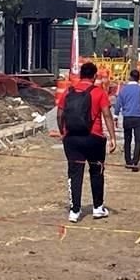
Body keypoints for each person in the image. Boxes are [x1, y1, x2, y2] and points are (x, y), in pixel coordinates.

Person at [56, 62, 117, 223]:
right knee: (97, 172)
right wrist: (112, 138)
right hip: (94, 138)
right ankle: (98, 208)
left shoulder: (69, 91)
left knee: (75, 173)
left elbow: (59, 114)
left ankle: (75, 210)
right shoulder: (99, 92)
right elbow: (107, 115)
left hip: (72, 138)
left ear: (81, 75)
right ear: (95, 76)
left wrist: (63, 133)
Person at [113, 69, 140, 171]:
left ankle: (128, 161)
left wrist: (116, 116)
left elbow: (118, 104)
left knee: (128, 139)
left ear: (130, 77)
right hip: (139, 117)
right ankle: (135, 161)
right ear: (138, 78)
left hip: (127, 117)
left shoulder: (124, 90)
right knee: (138, 140)